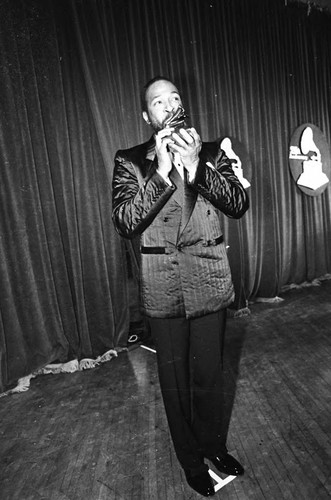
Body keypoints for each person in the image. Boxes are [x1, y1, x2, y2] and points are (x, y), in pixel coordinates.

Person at [112, 76, 249, 497]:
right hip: (163, 285)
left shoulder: (211, 151)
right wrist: (165, 173)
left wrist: (195, 166)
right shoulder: (130, 159)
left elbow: (237, 205)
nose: (168, 105)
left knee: (209, 376)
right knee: (175, 385)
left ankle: (213, 447)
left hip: (208, 278)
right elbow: (124, 222)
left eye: (174, 98)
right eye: (158, 101)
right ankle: (191, 461)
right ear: (146, 115)